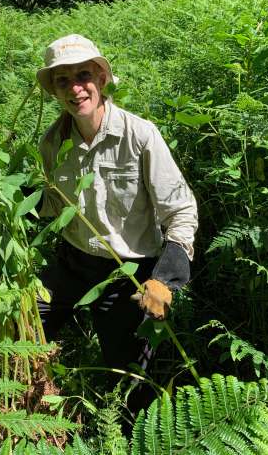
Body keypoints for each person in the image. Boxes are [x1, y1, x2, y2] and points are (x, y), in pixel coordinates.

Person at [35, 34, 198, 379]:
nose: (75, 88)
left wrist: (165, 279)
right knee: (22, 330)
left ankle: (128, 426)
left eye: (83, 76)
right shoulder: (52, 142)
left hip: (130, 271)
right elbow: (54, 202)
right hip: (74, 262)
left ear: (101, 79)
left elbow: (180, 210)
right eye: (63, 80)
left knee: (128, 376)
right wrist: (4, 203)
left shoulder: (140, 135)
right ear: (54, 90)